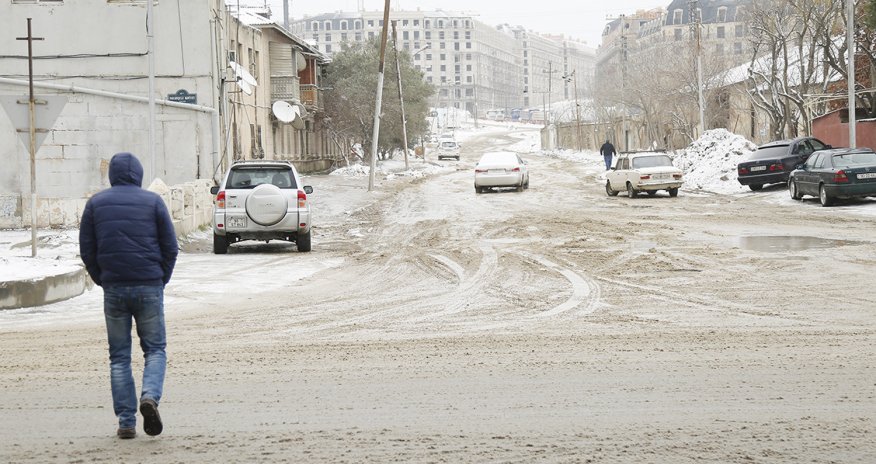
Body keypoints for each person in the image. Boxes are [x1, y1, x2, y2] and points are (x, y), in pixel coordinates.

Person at [79, 152, 178, 439]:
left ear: (112, 176)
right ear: (139, 174)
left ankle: (125, 422)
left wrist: (103, 279)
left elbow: (88, 249)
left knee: (119, 357)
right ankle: (149, 397)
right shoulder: (153, 201)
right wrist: (160, 280)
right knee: (155, 350)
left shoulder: (95, 204)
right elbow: (170, 248)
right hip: (149, 285)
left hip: (114, 289)